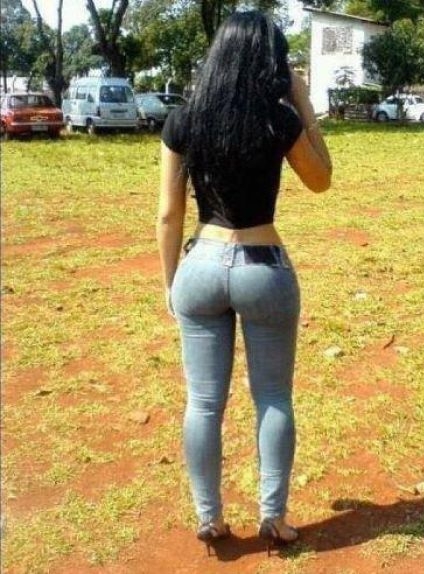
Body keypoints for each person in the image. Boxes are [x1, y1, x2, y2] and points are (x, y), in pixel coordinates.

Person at [156, 10, 332, 555]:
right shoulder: (278, 120)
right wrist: (302, 102)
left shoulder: (183, 119)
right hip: (263, 266)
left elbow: (168, 214)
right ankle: (273, 517)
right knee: (273, 397)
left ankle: (208, 517)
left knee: (203, 403)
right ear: (271, 62)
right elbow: (322, 179)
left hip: (200, 266)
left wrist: (170, 282)